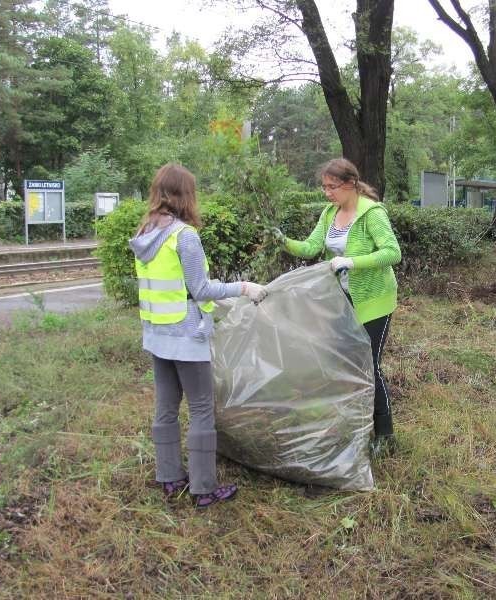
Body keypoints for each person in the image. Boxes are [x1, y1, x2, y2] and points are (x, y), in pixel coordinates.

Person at [129, 163, 268, 509]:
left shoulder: (146, 231)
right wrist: (244, 287)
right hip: (187, 336)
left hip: (157, 333)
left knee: (166, 408)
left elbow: (178, 288)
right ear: (184, 194)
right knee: (203, 409)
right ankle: (204, 488)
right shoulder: (183, 235)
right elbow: (200, 287)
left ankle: (169, 477)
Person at [271, 158, 402, 454]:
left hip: (373, 301)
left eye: (332, 187)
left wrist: (351, 262)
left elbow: (393, 253)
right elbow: (311, 247)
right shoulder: (329, 213)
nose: (327, 193)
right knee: (340, 362)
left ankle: (385, 434)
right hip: (341, 300)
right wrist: (282, 240)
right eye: (324, 187)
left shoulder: (372, 213)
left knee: (369, 365)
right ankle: (351, 424)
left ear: (350, 184)